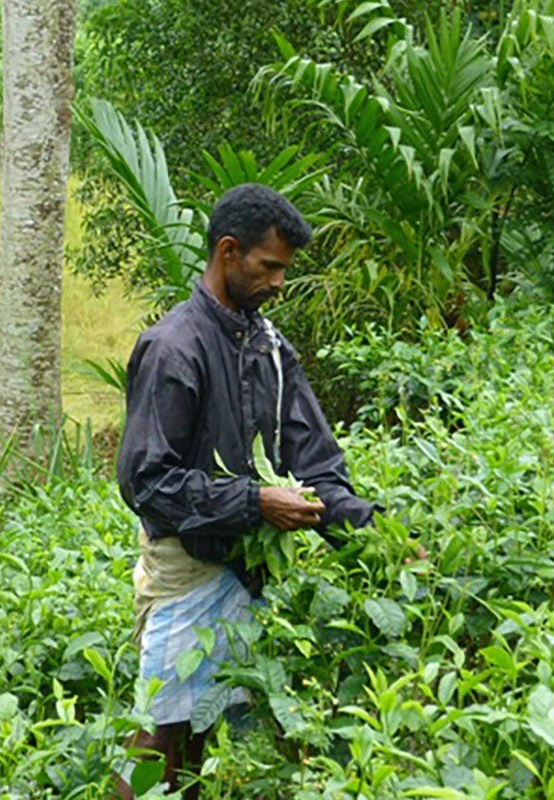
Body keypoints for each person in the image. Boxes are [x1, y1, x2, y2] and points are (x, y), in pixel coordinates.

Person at [114, 183, 388, 798]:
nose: (279, 284)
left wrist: (376, 530)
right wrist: (255, 502)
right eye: (270, 268)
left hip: (250, 575)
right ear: (229, 252)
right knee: (161, 738)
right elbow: (146, 482)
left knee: (223, 733)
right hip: (187, 572)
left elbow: (314, 459)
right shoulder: (174, 348)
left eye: (285, 270)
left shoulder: (269, 347)